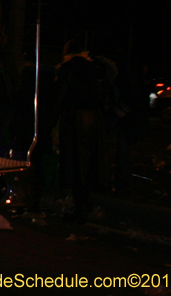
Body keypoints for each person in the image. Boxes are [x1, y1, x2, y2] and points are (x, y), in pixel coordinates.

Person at [54, 39, 103, 223]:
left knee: (74, 162)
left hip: (74, 118)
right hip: (92, 119)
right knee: (88, 162)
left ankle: (79, 207)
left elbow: (60, 97)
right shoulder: (92, 68)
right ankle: (86, 202)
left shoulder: (66, 68)